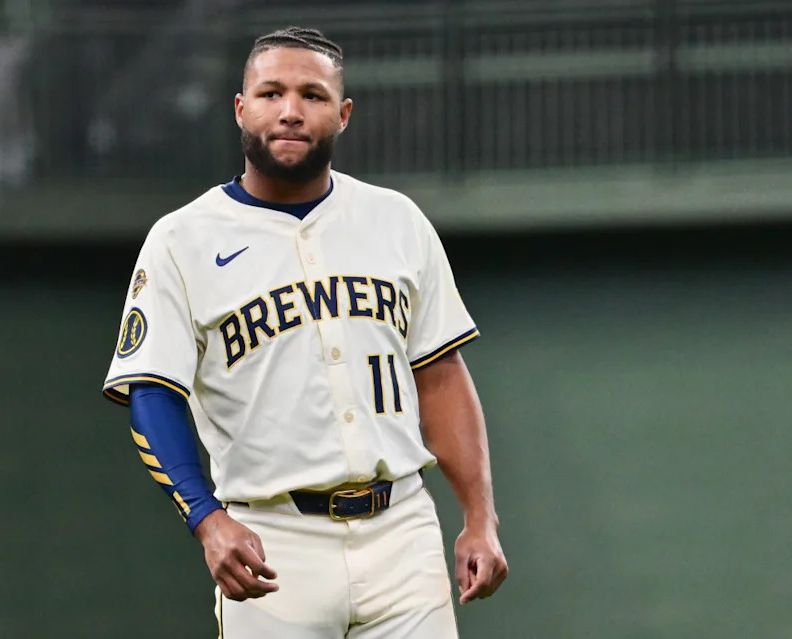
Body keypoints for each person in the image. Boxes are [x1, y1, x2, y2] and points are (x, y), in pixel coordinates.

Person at [102, 26, 507, 638]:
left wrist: (480, 518)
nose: (290, 111)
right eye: (270, 93)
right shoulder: (182, 239)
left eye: (313, 95)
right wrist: (207, 519)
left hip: (402, 529)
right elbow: (151, 393)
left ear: (342, 115)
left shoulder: (395, 219)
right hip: (272, 542)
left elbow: (441, 375)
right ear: (241, 109)